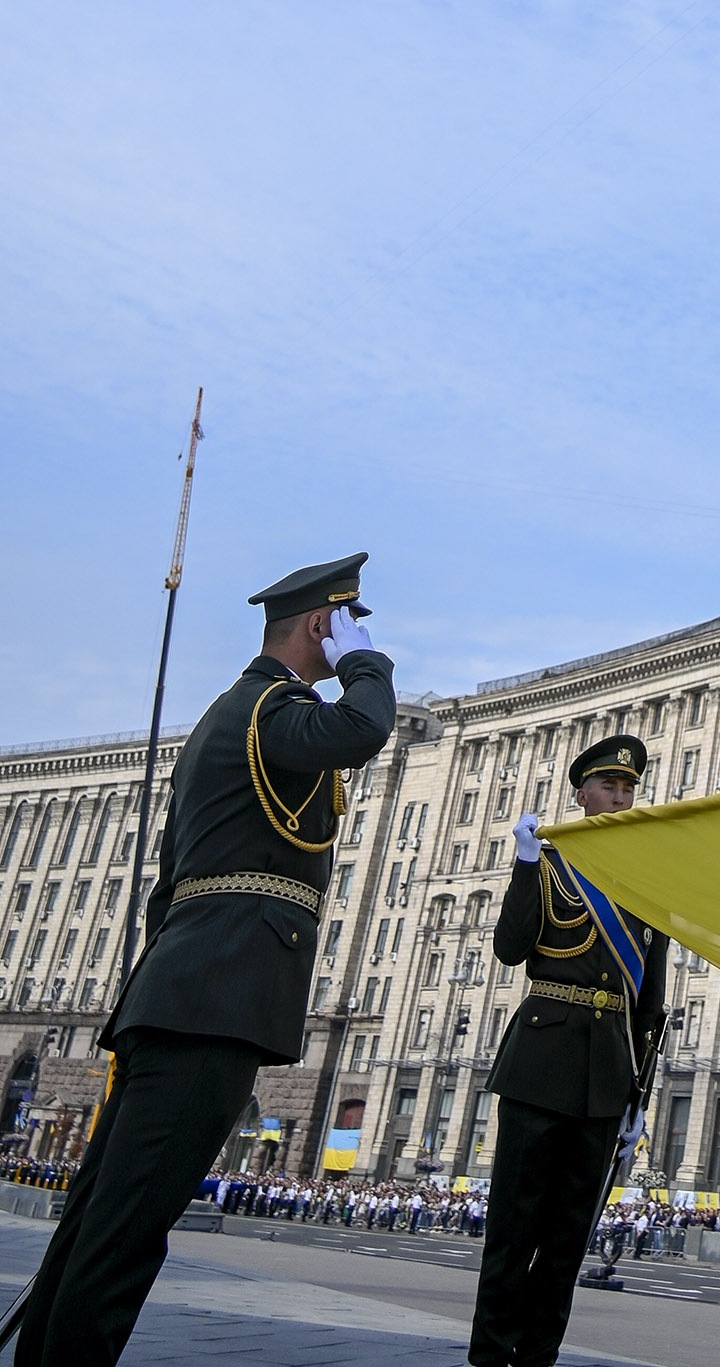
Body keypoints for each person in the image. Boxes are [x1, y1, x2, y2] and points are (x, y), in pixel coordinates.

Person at [15, 554, 395, 1366]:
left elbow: (168, 883)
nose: (355, 638)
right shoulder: (272, 709)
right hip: (217, 998)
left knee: (99, 1223)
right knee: (123, 1237)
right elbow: (362, 730)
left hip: (181, 990)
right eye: (347, 622)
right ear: (322, 624)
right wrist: (366, 663)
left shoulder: (224, 717)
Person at [467, 736, 671, 1367]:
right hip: (542, 1058)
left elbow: (650, 998)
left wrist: (639, 1088)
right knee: (514, 1224)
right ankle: (490, 1352)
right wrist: (527, 865)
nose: (619, 798)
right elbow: (510, 947)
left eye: (628, 789)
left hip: (608, 1069)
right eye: (608, 788)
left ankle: (538, 1355)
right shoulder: (552, 866)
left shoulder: (646, 882)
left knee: (568, 1236)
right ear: (580, 796)